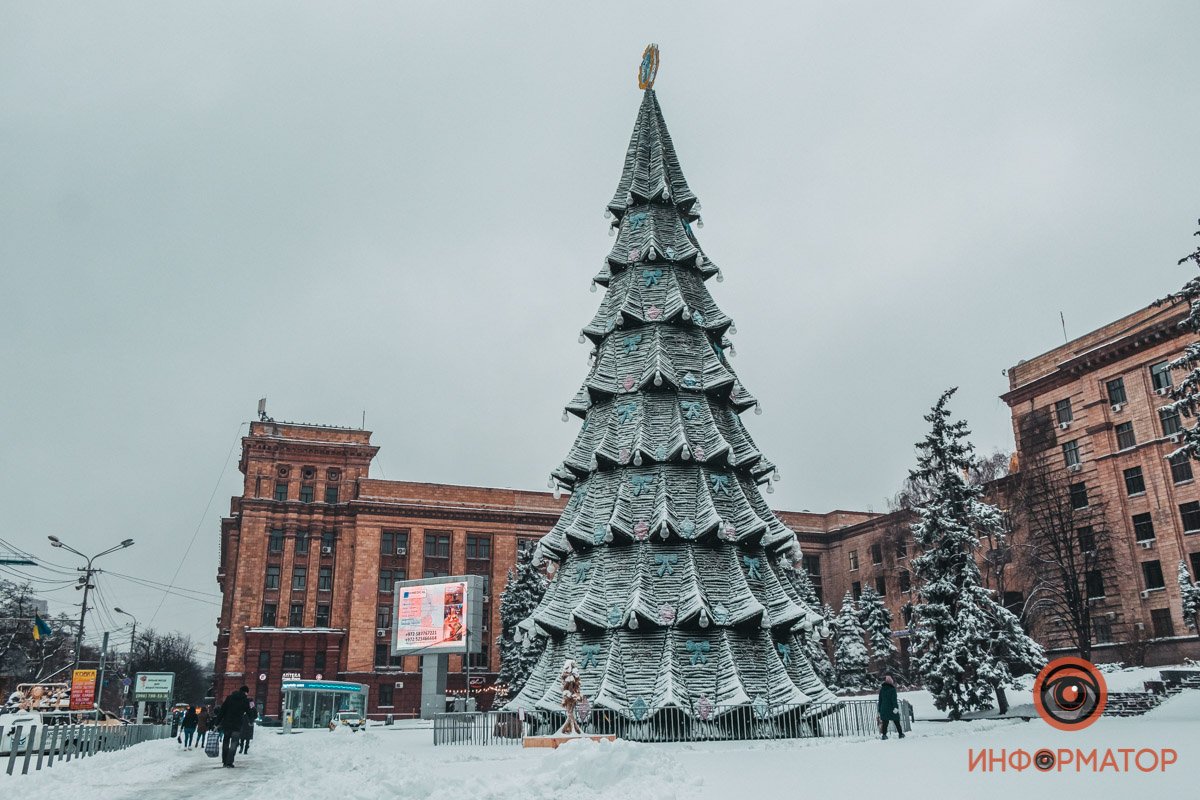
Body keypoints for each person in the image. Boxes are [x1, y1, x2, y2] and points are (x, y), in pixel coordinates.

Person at [215, 686, 250, 767]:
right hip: (237, 725)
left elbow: (222, 711)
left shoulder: (229, 698)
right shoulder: (245, 700)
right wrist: (251, 720)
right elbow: (248, 712)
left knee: (226, 742)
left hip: (227, 724)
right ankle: (229, 762)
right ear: (245, 692)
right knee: (234, 743)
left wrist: (217, 722)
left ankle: (224, 761)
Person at [878, 674, 904, 740]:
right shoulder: (892, 689)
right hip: (892, 708)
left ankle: (884, 735)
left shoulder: (882, 690)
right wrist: (895, 707)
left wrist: (879, 709)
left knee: (885, 723)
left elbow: (880, 700)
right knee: (896, 721)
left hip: (883, 708)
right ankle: (900, 734)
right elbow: (894, 700)